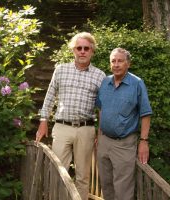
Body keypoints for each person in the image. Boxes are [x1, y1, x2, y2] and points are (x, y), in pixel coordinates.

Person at [35, 32, 106, 200]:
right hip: (62, 128)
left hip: (86, 129)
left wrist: (100, 131)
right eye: (78, 48)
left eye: (86, 48)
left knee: (83, 176)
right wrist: (43, 121)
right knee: (58, 172)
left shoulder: (100, 76)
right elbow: (49, 97)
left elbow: (103, 107)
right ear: (73, 50)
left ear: (92, 51)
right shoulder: (60, 70)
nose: (82, 51)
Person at [96, 47, 153, 200]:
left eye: (120, 61)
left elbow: (145, 113)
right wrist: (99, 134)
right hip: (104, 141)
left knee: (123, 191)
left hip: (124, 144)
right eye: (113, 61)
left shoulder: (137, 84)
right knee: (106, 185)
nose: (116, 64)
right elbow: (101, 109)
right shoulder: (105, 82)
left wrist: (144, 141)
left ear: (128, 64)